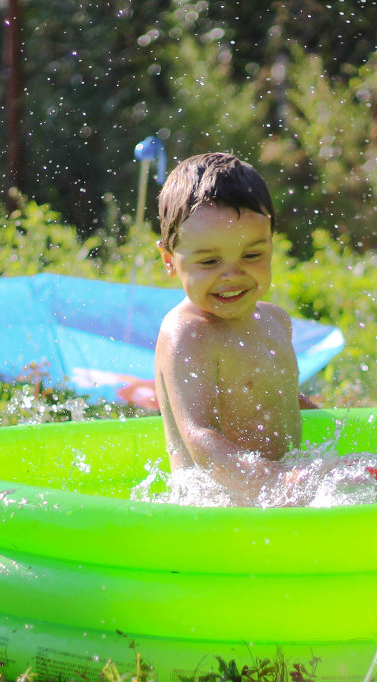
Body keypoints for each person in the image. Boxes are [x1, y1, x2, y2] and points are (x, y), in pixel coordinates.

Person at [153, 153, 317, 504]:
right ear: (170, 261)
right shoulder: (188, 334)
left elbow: (279, 398)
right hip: (215, 512)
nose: (232, 274)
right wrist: (282, 483)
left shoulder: (275, 321)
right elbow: (200, 438)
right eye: (210, 261)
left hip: (275, 498)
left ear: (271, 243)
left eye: (252, 255)